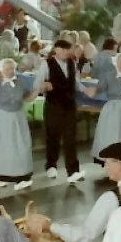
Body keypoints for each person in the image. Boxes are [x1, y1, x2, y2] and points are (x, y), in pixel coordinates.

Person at [0, 58, 38, 190]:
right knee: (2, 147)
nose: (10, 71)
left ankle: (21, 176)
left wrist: (38, 90)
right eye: (7, 69)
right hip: (1, 119)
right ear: (2, 70)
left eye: (12, 68)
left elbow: (27, 97)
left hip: (17, 118)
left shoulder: (19, 83)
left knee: (18, 145)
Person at [33, 39, 84, 183]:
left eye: (68, 49)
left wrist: (87, 91)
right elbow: (37, 83)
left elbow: (77, 82)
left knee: (70, 138)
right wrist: (44, 86)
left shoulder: (71, 63)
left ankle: (73, 171)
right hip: (54, 106)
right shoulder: (46, 64)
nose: (66, 52)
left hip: (69, 105)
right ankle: (51, 165)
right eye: (63, 49)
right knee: (52, 136)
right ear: (56, 49)